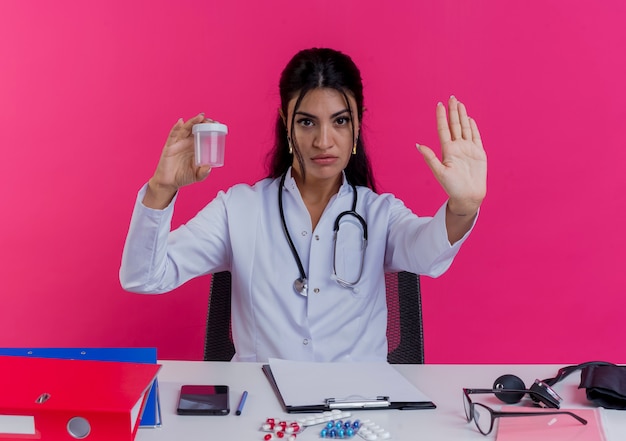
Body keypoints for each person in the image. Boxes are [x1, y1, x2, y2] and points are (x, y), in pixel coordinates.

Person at [120, 47, 487, 363]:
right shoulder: (239, 209)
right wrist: (161, 188)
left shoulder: (379, 213)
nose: (323, 140)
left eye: (340, 121)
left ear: (358, 125)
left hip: (357, 407)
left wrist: (463, 206)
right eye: (307, 122)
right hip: (263, 409)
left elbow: (428, 253)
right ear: (287, 125)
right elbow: (144, 277)